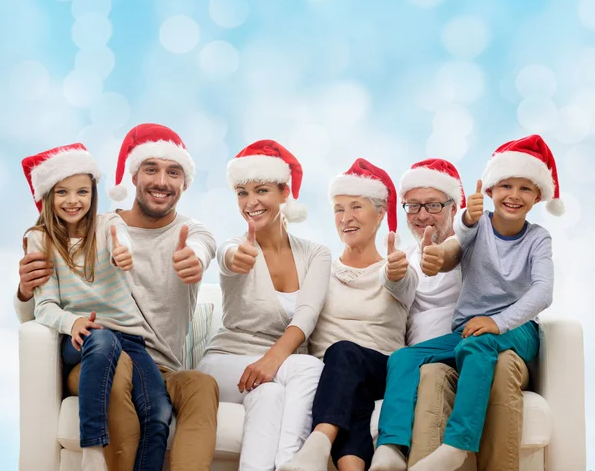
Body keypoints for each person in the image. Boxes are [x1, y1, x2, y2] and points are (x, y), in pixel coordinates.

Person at [15, 124, 219, 471]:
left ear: (185, 182)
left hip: (159, 364)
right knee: (117, 364)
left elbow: (203, 248)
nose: (162, 181)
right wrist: (24, 290)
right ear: (133, 175)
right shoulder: (101, 227)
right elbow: (37, 313)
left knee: (201, 385)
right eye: (151, 169)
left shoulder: (191, 233)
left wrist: (195, 260)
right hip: (97, 356)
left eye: (174, 172)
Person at [372, 136, 560, 471]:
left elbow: (543, 292)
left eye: (525, 188)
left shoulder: (537, 238)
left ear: (537, 197)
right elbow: (454, 246)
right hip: (470, 332)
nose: (514, 195)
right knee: (403, 358)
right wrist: (438, 254)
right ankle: (390, 447)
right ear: (489, 191)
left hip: (517, 330)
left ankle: (457, 445)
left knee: (478, 343)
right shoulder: (475, 225)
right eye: (505, 185)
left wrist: (498, 321)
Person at [197, 140, 332, 471]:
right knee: (310, 367)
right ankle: (293, 464)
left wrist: (270, 362)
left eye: (262, 190)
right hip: (226, 364)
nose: (251, 202)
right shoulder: (235, 245)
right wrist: (235, 258)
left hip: (272, 374)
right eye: (242, 193)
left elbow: (307, 314)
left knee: (270, 397)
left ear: (285, 193)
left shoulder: (316, 254)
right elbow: (228, 258)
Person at [278, 158, 416, 471]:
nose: (346, 218)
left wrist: (395, 272)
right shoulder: (320, 267)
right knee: (350, 388)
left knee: (342, 353)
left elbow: (401, 284)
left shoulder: (397, 267)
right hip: (333, 378)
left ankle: (318, 441)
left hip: (382, 369)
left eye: (356, 207)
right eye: (339, 209)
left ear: (380, 214)